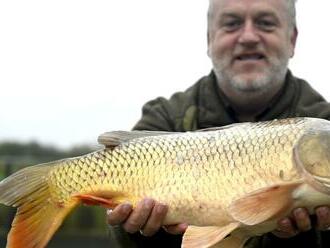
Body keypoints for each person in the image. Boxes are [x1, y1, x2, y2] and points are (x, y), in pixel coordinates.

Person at [106, 0, 330, 247]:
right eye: (232, 24)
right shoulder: (165, 118)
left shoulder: (324, 126)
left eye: (265, 24)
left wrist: (309, 235)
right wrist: (140, 230)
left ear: (292, 40)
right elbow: (119, 229)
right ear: (209, 39)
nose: (248, 37)